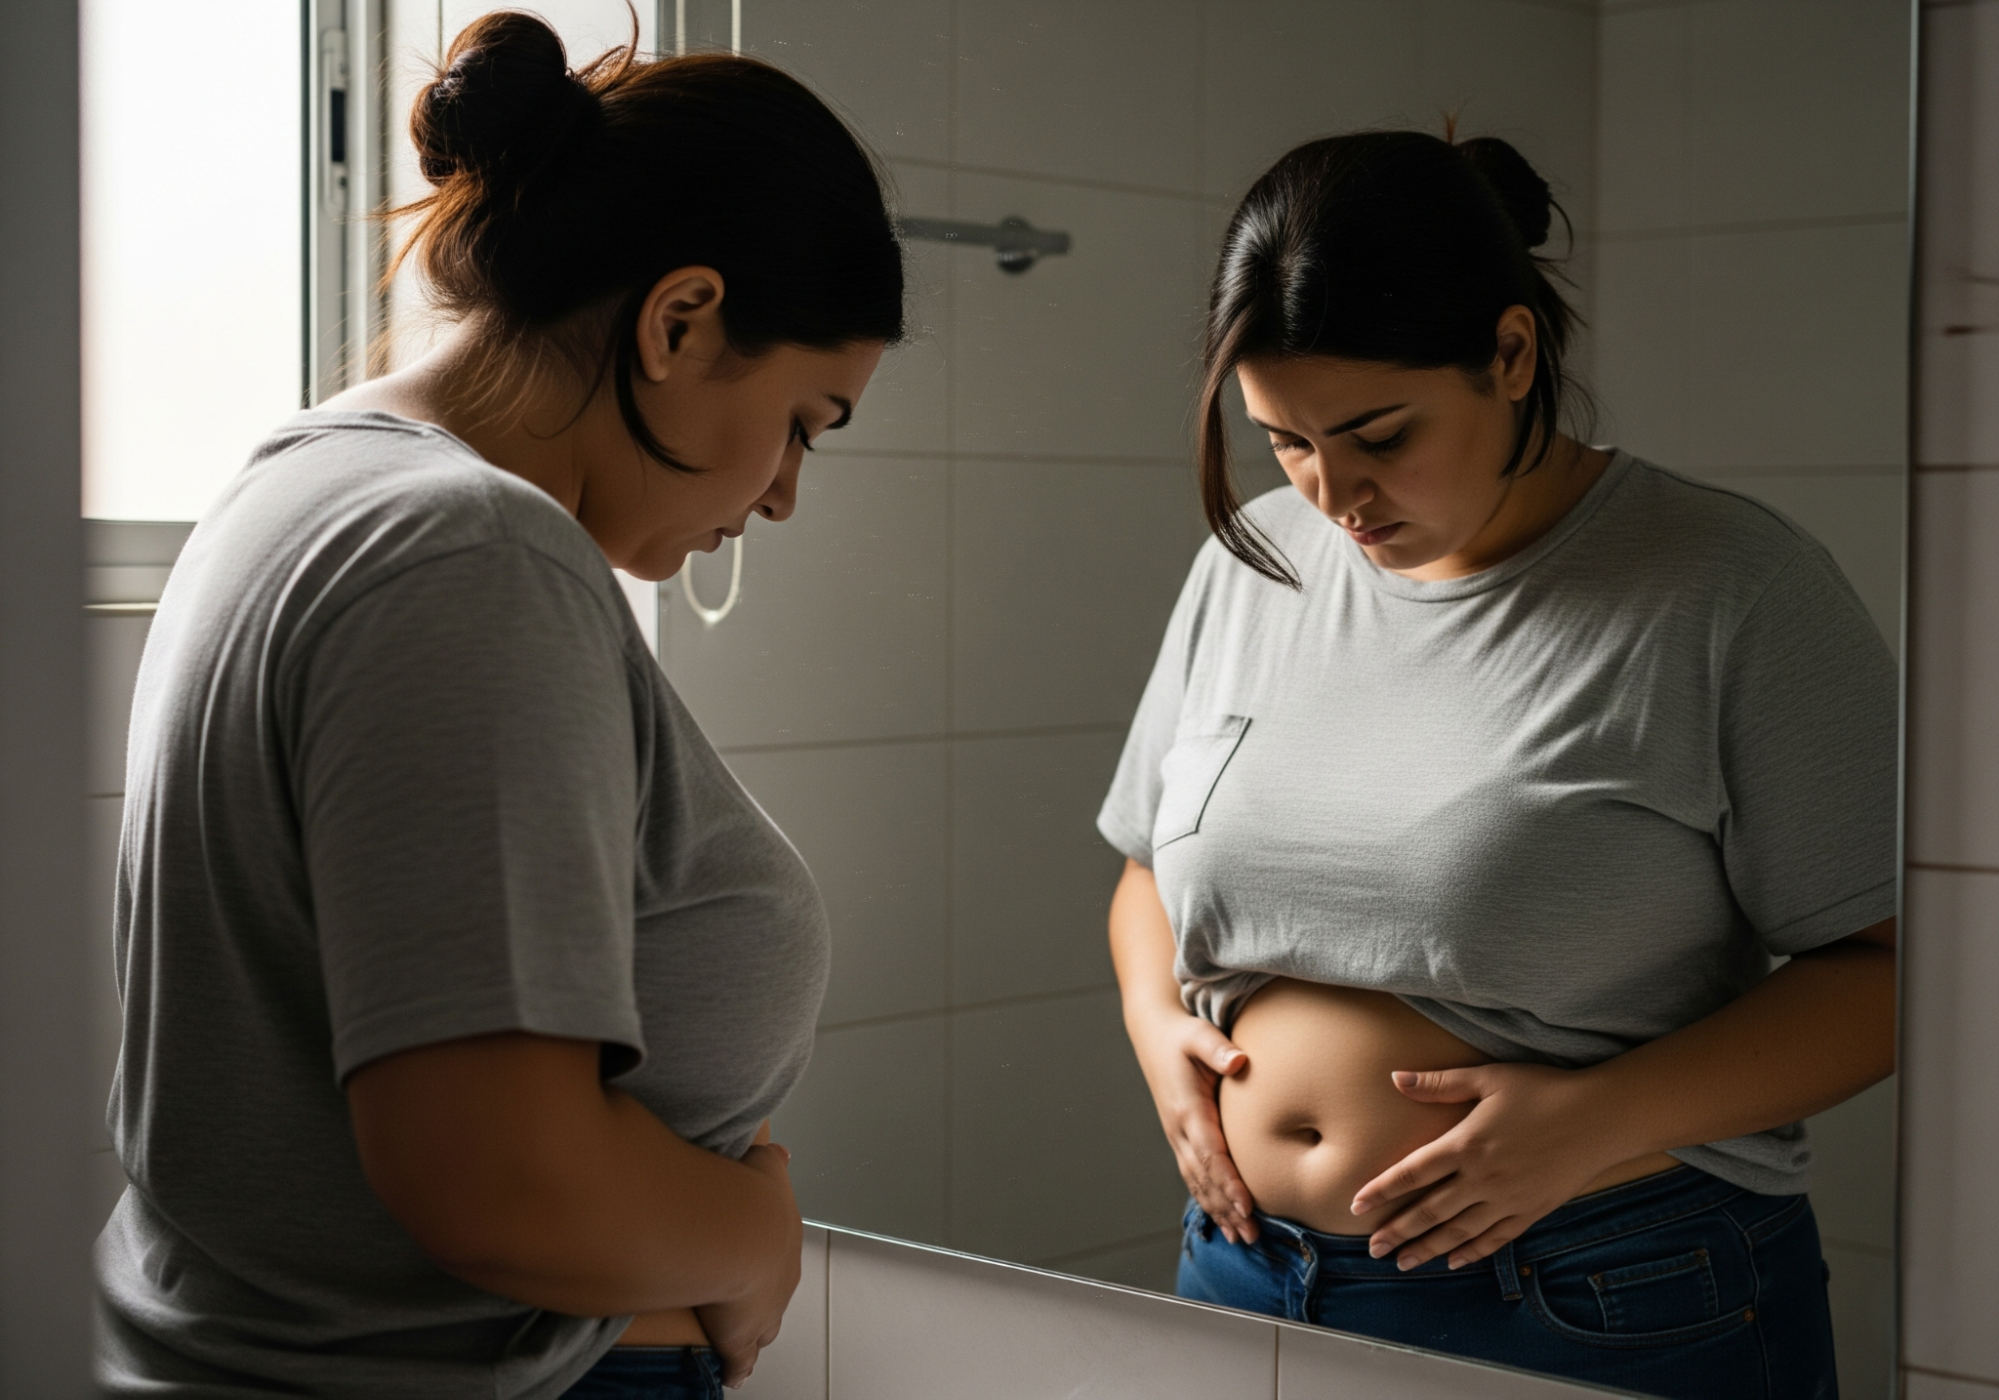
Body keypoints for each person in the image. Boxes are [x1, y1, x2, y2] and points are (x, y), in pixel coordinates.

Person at [94, 14, 902, 1399]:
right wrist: (752, 1235)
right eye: (805, 421)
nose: (780, 493)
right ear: (680, 318)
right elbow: (498, 1183)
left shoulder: (305, 476)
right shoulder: (470, 556)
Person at [1100, 131, 1895, 1400]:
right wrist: (1155, 1026)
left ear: (1511, 355)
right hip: (1246, 1271)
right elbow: (1150, 865)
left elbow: (1894, 974)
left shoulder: (1730, 590)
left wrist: (1599, 1118)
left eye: (1378, 433)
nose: (1335, 494)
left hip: (1604, 1289)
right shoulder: (1255, 559)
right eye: (1285, 440)